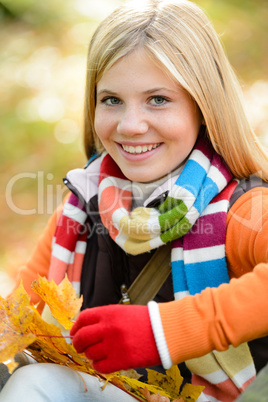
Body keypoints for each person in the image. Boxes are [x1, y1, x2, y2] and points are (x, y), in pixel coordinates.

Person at [1, 0, 268, 401]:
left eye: (158, 99)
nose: (130, 125)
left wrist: (162, 332)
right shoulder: (80, 211)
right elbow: (16, 313)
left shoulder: (242, 210)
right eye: (111, 100)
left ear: (203, 106)